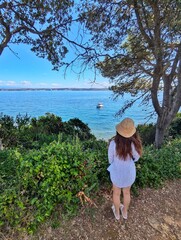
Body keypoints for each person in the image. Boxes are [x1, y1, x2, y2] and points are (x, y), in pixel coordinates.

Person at [107, 118, 142, 220]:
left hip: (116, 172)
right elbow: (136, 158)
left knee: (116, 193)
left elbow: (110, 160)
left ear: (119, 130)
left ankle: (117, 213)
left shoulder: (113, 144)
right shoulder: (134, 144)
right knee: (127, 193)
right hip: (129, 173)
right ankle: (125, 212)